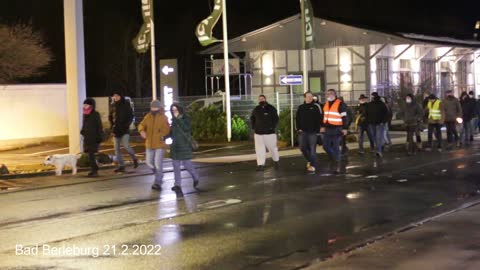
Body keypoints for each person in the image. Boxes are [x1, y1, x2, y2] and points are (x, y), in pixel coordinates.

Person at [138, 100, 170, 191]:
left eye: (155, 107)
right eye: (152, 107)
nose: (153, 109)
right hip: (149, 144)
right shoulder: (148, 116)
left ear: (159, 108)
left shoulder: (164, 117)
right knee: (149, 163)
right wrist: (142, 131)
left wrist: (160, 134)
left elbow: (167, 130)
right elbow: (141, 125)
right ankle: (159, 175)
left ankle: (158, 182)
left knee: (157, 164)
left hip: (160, 145)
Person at [169, 104, 200, 192]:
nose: (174, 111)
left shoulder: (185, 118)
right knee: (176, 166)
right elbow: (172, 132)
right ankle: (177, 185)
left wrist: (177, 119)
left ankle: (195, 177)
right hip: (175, 146)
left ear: (179, 110)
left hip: (184, 146)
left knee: (187, 165)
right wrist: (166, 136)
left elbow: (186, 128)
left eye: (175, 109)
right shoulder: (173, 120)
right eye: (172, 110)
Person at [109, 91, 138, 173]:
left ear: (121, 96)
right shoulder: (113, 105)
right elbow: (110, 117)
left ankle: (134, 158)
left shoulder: (126, 104)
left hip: (124, 130)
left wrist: (127, 125)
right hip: (116, 130)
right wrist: (111, 127)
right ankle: (121, 166)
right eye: (114, 96)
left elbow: (131, 116)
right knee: (116, 149)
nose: (115, 97)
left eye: (117, 95)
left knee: (126, 146)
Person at [321, 89, 349, 174]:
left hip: (337, 129)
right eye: (327, 94)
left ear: (335, 94)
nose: (329, 95)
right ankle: (336, 158)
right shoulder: (325, 105)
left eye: (331, 93)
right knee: (325, 146)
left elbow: (345, 117)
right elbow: (323, 117)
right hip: (328, 129)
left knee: (336, 147)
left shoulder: (340, 104)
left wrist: (345, 128)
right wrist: (322, 126)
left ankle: (337, 164)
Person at [250, 95, 280, 171]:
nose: (261, 100)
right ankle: (260, 165)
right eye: (260, 99)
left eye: (262, 99)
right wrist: (254, 127)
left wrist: (272, 127)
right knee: (259, 149)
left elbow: (276, 119)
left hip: (269, 133)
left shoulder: (271, 108)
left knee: (272, 148)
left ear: (265, 99)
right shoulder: (256, 109)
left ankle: (276, 161)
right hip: (258, 133)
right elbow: (252, 118)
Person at [296, 91, 322, 173]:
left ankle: (313, 165)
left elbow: (319, 119)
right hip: (302, 131)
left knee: (312, 149)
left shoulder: (316, 107)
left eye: (311, 96)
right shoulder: (301, 107)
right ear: (305, 98)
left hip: (313, 132)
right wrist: (298, 128)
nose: (310, 98)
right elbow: (297, 118)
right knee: (302, 148)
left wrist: (318, 130)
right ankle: (310, 160)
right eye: (308, 96)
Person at [81, 98, 104, 177]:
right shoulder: (85, 114)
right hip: (87, 137)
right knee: (90, 155)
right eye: (84, 105)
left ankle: (94, 170)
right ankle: (94, 169)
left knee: (91, 155)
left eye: (86, 105)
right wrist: (82, 130)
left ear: (91, 106)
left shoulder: (95, 114)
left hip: (94, 138)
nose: (84, 106)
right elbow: (84, 124)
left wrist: (99, 137)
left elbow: (99, 126)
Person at [366, 92, 389, 157]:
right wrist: (368, 121)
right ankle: (379, 148)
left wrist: (383, 122)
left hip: (379, 124)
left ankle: (379, 151)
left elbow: (386, 114)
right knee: (374, 137)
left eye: (373, 96)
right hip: (371, 123)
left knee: (378, 137)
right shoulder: (369, 105)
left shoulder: (381, 104)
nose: (372, 98)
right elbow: (366, 113)